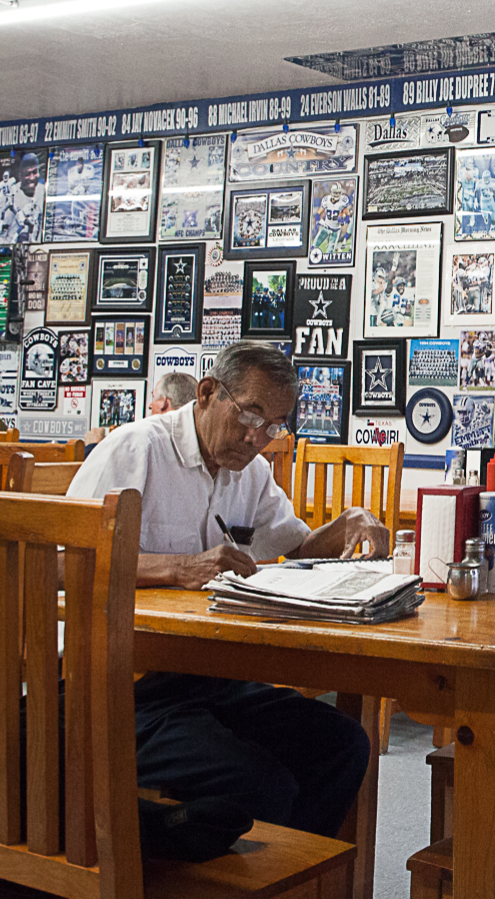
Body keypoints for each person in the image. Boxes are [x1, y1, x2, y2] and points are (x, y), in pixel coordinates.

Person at [66, 341, 385, 838]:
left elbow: (296, 549)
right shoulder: (135, 450)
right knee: (262, 784)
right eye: (251, 414)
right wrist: (177, 568)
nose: (258, 437)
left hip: (205, 674)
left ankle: (281, 890)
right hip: (118, 682)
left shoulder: (250, 473)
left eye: (274, 425)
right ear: (208, 392)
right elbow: (66, 564)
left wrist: (347, 522)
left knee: (343, 744)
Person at [84, 372, 198, 445]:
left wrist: (92, 447)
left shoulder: (147, 438)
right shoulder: (195, 440)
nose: (150, 405)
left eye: (154, 398)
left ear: (164, 402)